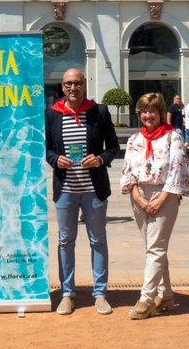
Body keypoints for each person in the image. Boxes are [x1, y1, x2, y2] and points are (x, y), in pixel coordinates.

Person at [45, 68, 120, 316]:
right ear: (62, 87)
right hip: (65, 189)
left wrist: (99, 159)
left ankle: (100, 293)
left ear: (84, 84)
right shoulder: (52, 114)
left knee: (98, 240)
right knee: (65, 241)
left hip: (94, 189)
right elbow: (46, 149)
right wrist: (56, 160)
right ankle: (67, 293)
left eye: (77, 83)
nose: (72, 88)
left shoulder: (98, 111)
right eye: (68, 84)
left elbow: (114, 147)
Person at [120, 92, 189, 319]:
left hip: (165, 195)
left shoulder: (173, 137)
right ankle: (166, 295)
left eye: (153, 111)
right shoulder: (134, 140)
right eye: (144, 111)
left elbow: (177, 170)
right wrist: (139, 198)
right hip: (139, 195)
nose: (148, 115)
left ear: (161, 113)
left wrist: (161, 199)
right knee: (153, 248)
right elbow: (127, 172)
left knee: (155, 248)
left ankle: (146, 299)